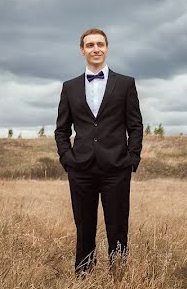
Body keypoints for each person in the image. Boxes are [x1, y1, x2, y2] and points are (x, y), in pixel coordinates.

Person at [55, 28, 143, 275]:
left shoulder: (126, 84)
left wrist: (132, 159)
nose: (96, 49)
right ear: (82, 50)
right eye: (90, 45)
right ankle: (83, 277)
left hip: (116, 168)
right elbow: (61, 130)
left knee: (118, 227)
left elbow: (135, 125)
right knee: (84, 227)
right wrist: (67, 160)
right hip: (81, 169)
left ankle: (119, 277)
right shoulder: (69, 87)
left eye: (100, 44)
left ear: (107, 48)